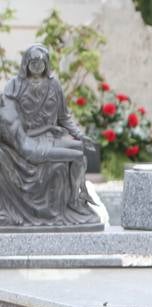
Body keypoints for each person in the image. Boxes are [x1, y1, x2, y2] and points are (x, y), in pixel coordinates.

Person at [0, 44, 98, 227]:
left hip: (47, 137)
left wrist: (79, 136)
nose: (37, 65)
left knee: (80, 148)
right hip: (31, 144)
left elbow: (64, 117)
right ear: (26, 63)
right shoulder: (14, 87)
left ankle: (76, 198)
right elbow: (10, 123)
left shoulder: (54, 85)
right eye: (33, 61)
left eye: (41, 61)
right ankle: (74, 202)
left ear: (47, 63)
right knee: (72, 159)